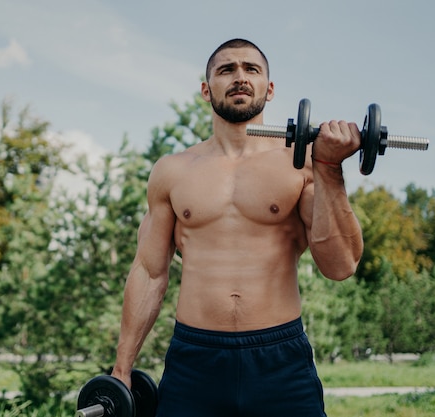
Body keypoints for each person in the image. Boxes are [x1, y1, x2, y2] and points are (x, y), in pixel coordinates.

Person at [110, 38, 364, 417]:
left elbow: (341, 266)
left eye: (251, 69)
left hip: (280, 359)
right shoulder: (172, 170)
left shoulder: (303, 164)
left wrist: (330, 169)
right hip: (194, 361)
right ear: (206, 88)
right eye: (226, 70)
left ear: (270, 88)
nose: (240, 77)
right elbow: (149, 272)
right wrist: (121, 370)